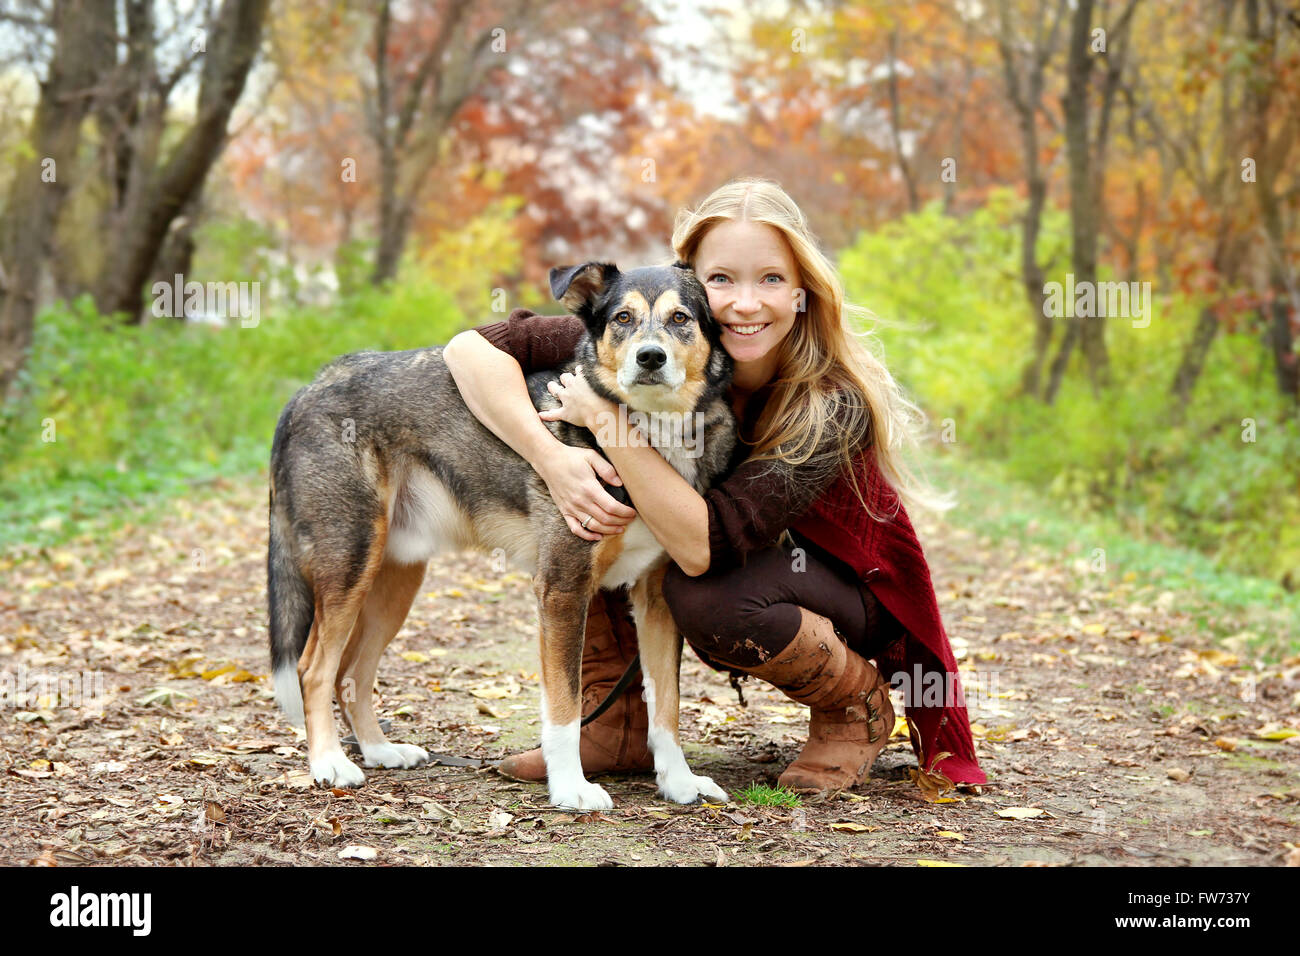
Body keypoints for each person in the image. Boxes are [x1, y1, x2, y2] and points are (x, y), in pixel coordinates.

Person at [442, 177, 986, 791]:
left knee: (695, 589)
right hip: (731, 551)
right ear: (689, 277)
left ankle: (851, 708)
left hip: (841, 588)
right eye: (723, 280)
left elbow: (700, 545)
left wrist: (602, 417)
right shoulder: (639, 332)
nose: (745, 303)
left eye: (772, 280)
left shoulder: (828, 406)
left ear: (803, 291)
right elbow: (468, 351)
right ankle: (617, 721)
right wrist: (551, 458)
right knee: (595, 512)